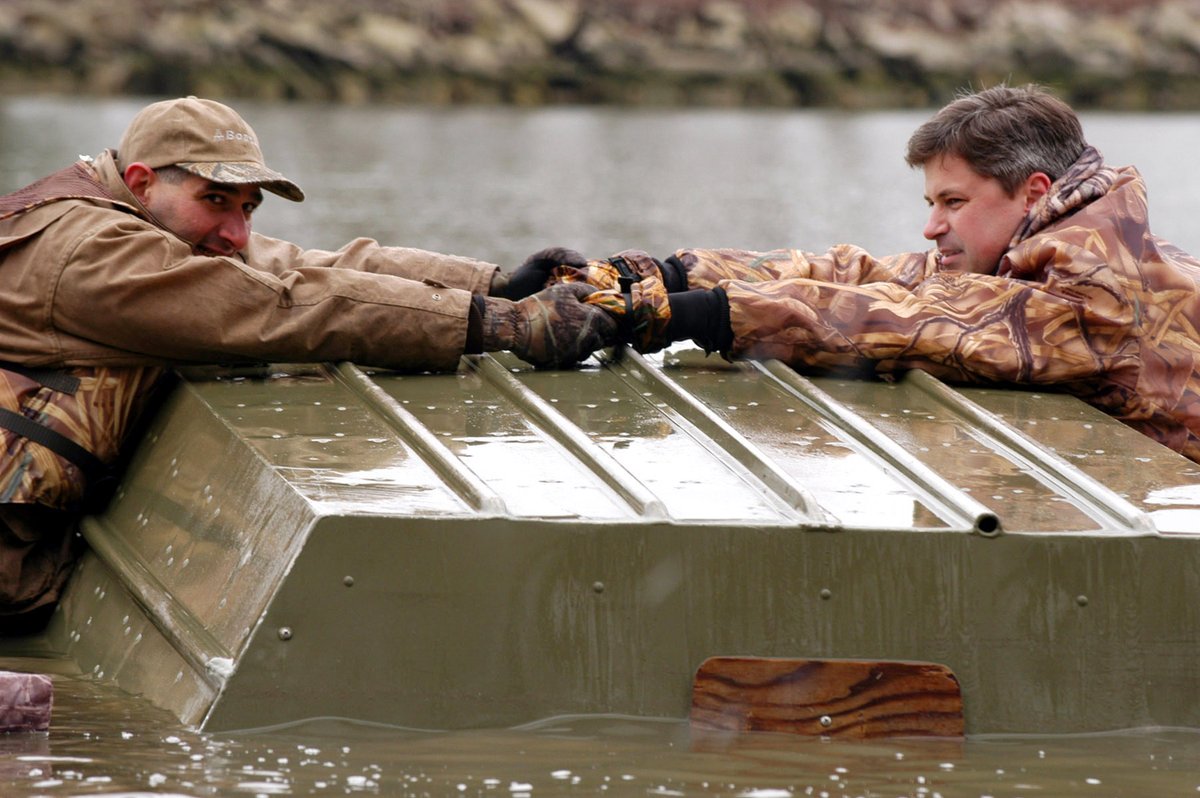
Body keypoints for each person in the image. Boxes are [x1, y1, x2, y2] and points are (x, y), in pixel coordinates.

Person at [0, 96, 616, 633]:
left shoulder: (123, 216)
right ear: (140, 182)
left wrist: (498, 283)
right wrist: (495, 324)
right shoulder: (88, 254)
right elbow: (283, 308)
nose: (236, 231)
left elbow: (306, 265)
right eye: (216, 200)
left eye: (248, 207)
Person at [509, 83, 1200, 463]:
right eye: (931, 203)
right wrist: (662, 273)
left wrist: (686, 317)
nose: (933, 227)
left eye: (953, 203)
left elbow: (915, 322)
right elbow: (865, 273)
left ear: (1032, 190)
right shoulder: (1058, 246)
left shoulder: (1095, 298)